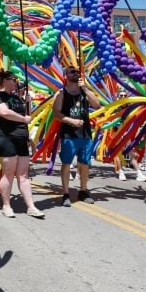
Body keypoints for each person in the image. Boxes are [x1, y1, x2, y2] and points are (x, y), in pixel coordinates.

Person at [0, 69, 44, 218]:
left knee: (23, 175)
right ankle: (6, 205)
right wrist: (23, 119)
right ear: (6, 80)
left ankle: (31, 206)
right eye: (14, 79)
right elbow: (4, 113)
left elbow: (28, 117)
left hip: (21, 138)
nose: (16, 82)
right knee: (8, 173)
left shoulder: (17, 98)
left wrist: (28, 103)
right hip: (5, 137)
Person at [52, 66, 100, 206]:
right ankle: (66, 193)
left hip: (85, 134)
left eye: (77, 72)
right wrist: (71, 120)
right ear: (65, 75)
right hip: (68, 135)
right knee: (66, 163)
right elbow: (56, 113)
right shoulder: (61, 94)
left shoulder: (84, 91)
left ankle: (83, 191)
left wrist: (85, 88)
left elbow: (96, 105)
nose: (75, 74)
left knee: (84, 164)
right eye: (72, 72)